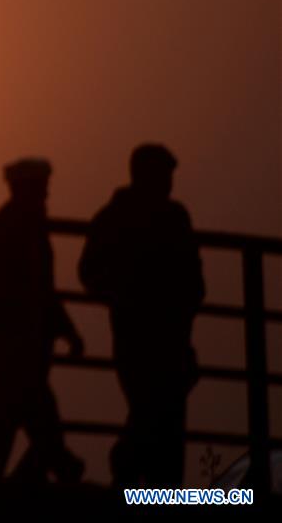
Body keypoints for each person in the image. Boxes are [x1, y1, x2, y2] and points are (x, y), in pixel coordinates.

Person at [78, 143, 204, 487]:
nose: (169, 183)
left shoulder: (146, 217)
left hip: (162, 338)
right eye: (164, 175)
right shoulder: (139, 217)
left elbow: (194, 282)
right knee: (158, 415)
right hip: (144, 337)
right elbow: (90, 273)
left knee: (159, 418)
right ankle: (132, 469)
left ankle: (135, 474)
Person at [0, 158, 85, 484]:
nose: (45, 193)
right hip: (14, 344)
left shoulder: (23, 230)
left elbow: (43, 290)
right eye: (40, 186)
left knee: (9, 419)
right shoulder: (10, 230)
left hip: (22, 343)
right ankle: (60, 468)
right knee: (27, 417)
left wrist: (66, 330)